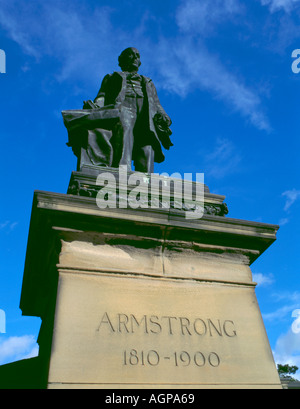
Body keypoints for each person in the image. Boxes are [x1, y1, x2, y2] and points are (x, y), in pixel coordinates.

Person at [93, 47, 173, 173]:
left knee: (147, 141)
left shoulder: (147, 82)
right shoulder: (112, 77)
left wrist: (164, 115)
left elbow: (156, 103)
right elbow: (101, 96)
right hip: (124, 106)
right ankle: (122, 171)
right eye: (131, 55)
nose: (135, 58)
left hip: (145, 111)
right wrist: (97, 105)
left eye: (137, 55)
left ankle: (146, 177)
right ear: (122, 60)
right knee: (125, 129)